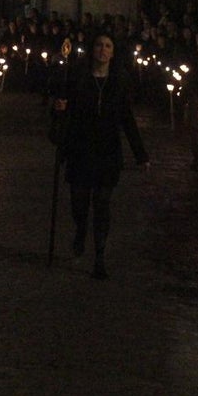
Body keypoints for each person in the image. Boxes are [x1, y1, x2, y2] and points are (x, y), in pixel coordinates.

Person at [53, 33, 150, 279]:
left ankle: (99, 256)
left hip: (107, 152)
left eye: (107, 46)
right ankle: (80, 229)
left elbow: (127, 119)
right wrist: (60, 109)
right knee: (79, 202)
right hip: (80, 149)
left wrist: (140, 154)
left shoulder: (118, 83)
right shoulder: (78, 78)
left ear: (113, 52)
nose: (102, 50)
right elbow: (65, 111)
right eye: (98, 45)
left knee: (102, 205)